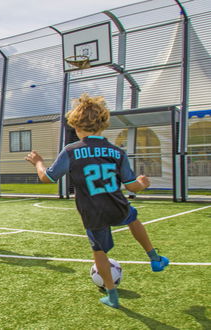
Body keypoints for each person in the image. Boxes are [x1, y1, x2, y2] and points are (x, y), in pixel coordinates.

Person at [25, 94, 169, 309]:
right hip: (117, 204)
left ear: (74, 125)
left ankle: (112, 295)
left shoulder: (71, 151)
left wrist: (38, 162)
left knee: (99, 252)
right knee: (133, 216)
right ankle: (154, 257)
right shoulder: (117, 152)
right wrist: (142, 183)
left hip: (93, 212)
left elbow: (47, 178)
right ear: (103, 124)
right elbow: (131, 186)